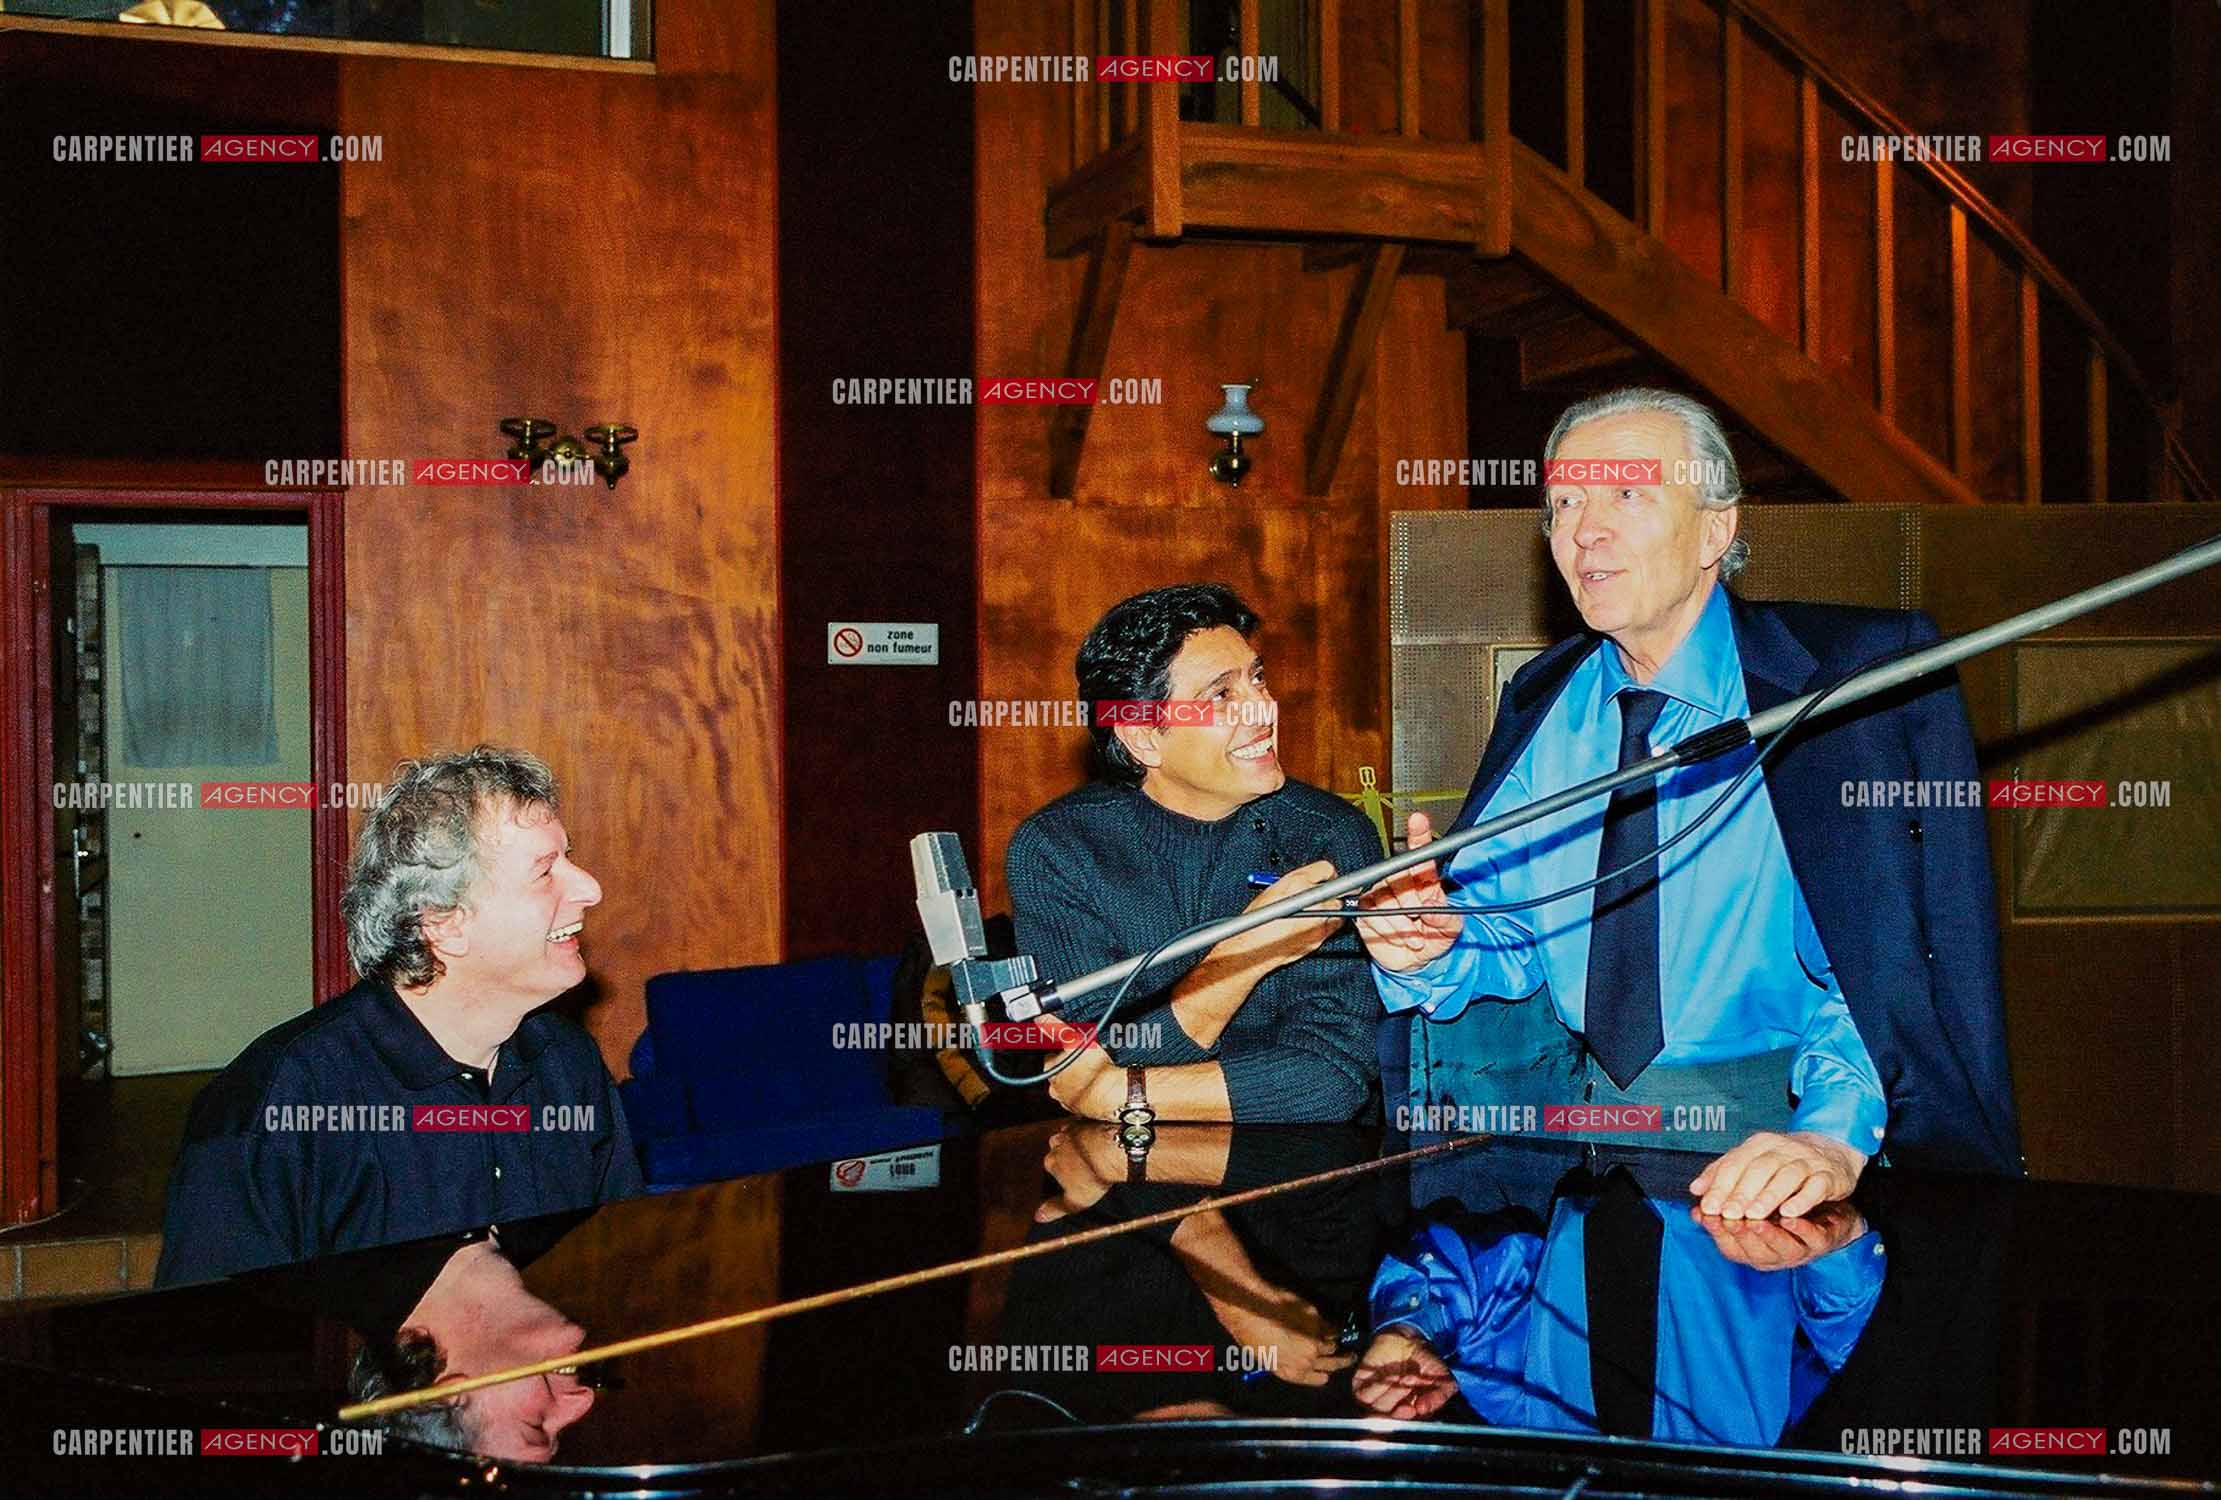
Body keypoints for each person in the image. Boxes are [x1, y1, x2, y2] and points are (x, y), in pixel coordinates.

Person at [1358, 388, 2021, 1219]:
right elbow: (1513, 930)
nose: (1583, 528)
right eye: (1564, 502)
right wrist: (1429, 943)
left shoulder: (1845, 679)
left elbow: (1894, 958)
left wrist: (1830, 1132)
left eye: (1626, 494)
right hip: (1562, 1131)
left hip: (1773, 1139)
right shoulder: (1542, 697)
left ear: (1716, 529)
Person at [155, 746, 643, 1285]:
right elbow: (212, 1346)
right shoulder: (278, 1104)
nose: (590, 888)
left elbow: (618, 1278)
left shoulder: (567, 1065)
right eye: (546, 871)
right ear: (442, 924)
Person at [1005, 584, 1381, 1124]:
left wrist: (1124, 1095)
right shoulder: (1060, 849)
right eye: (1221, 696)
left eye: (1257, 678)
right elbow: (1095, 1055)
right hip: (1129, 1179)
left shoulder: (1328, 836)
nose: (1265, 708)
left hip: (1299, 1182)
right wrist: (1246, 952)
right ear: (1143, 738)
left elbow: (1329, 1080)